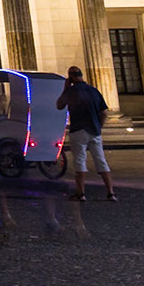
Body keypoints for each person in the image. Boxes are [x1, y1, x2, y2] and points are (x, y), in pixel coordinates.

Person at [58, 67, 117, 201]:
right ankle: (110, 192)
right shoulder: (94, 91)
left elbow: (59, 105)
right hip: (94, 130)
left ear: (71, 77)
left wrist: (66, 88)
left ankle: (81, 193)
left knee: (79, 160)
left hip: (79, 129)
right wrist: (99, 127)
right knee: (101, 160)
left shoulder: (71, 91)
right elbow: (104, 113)